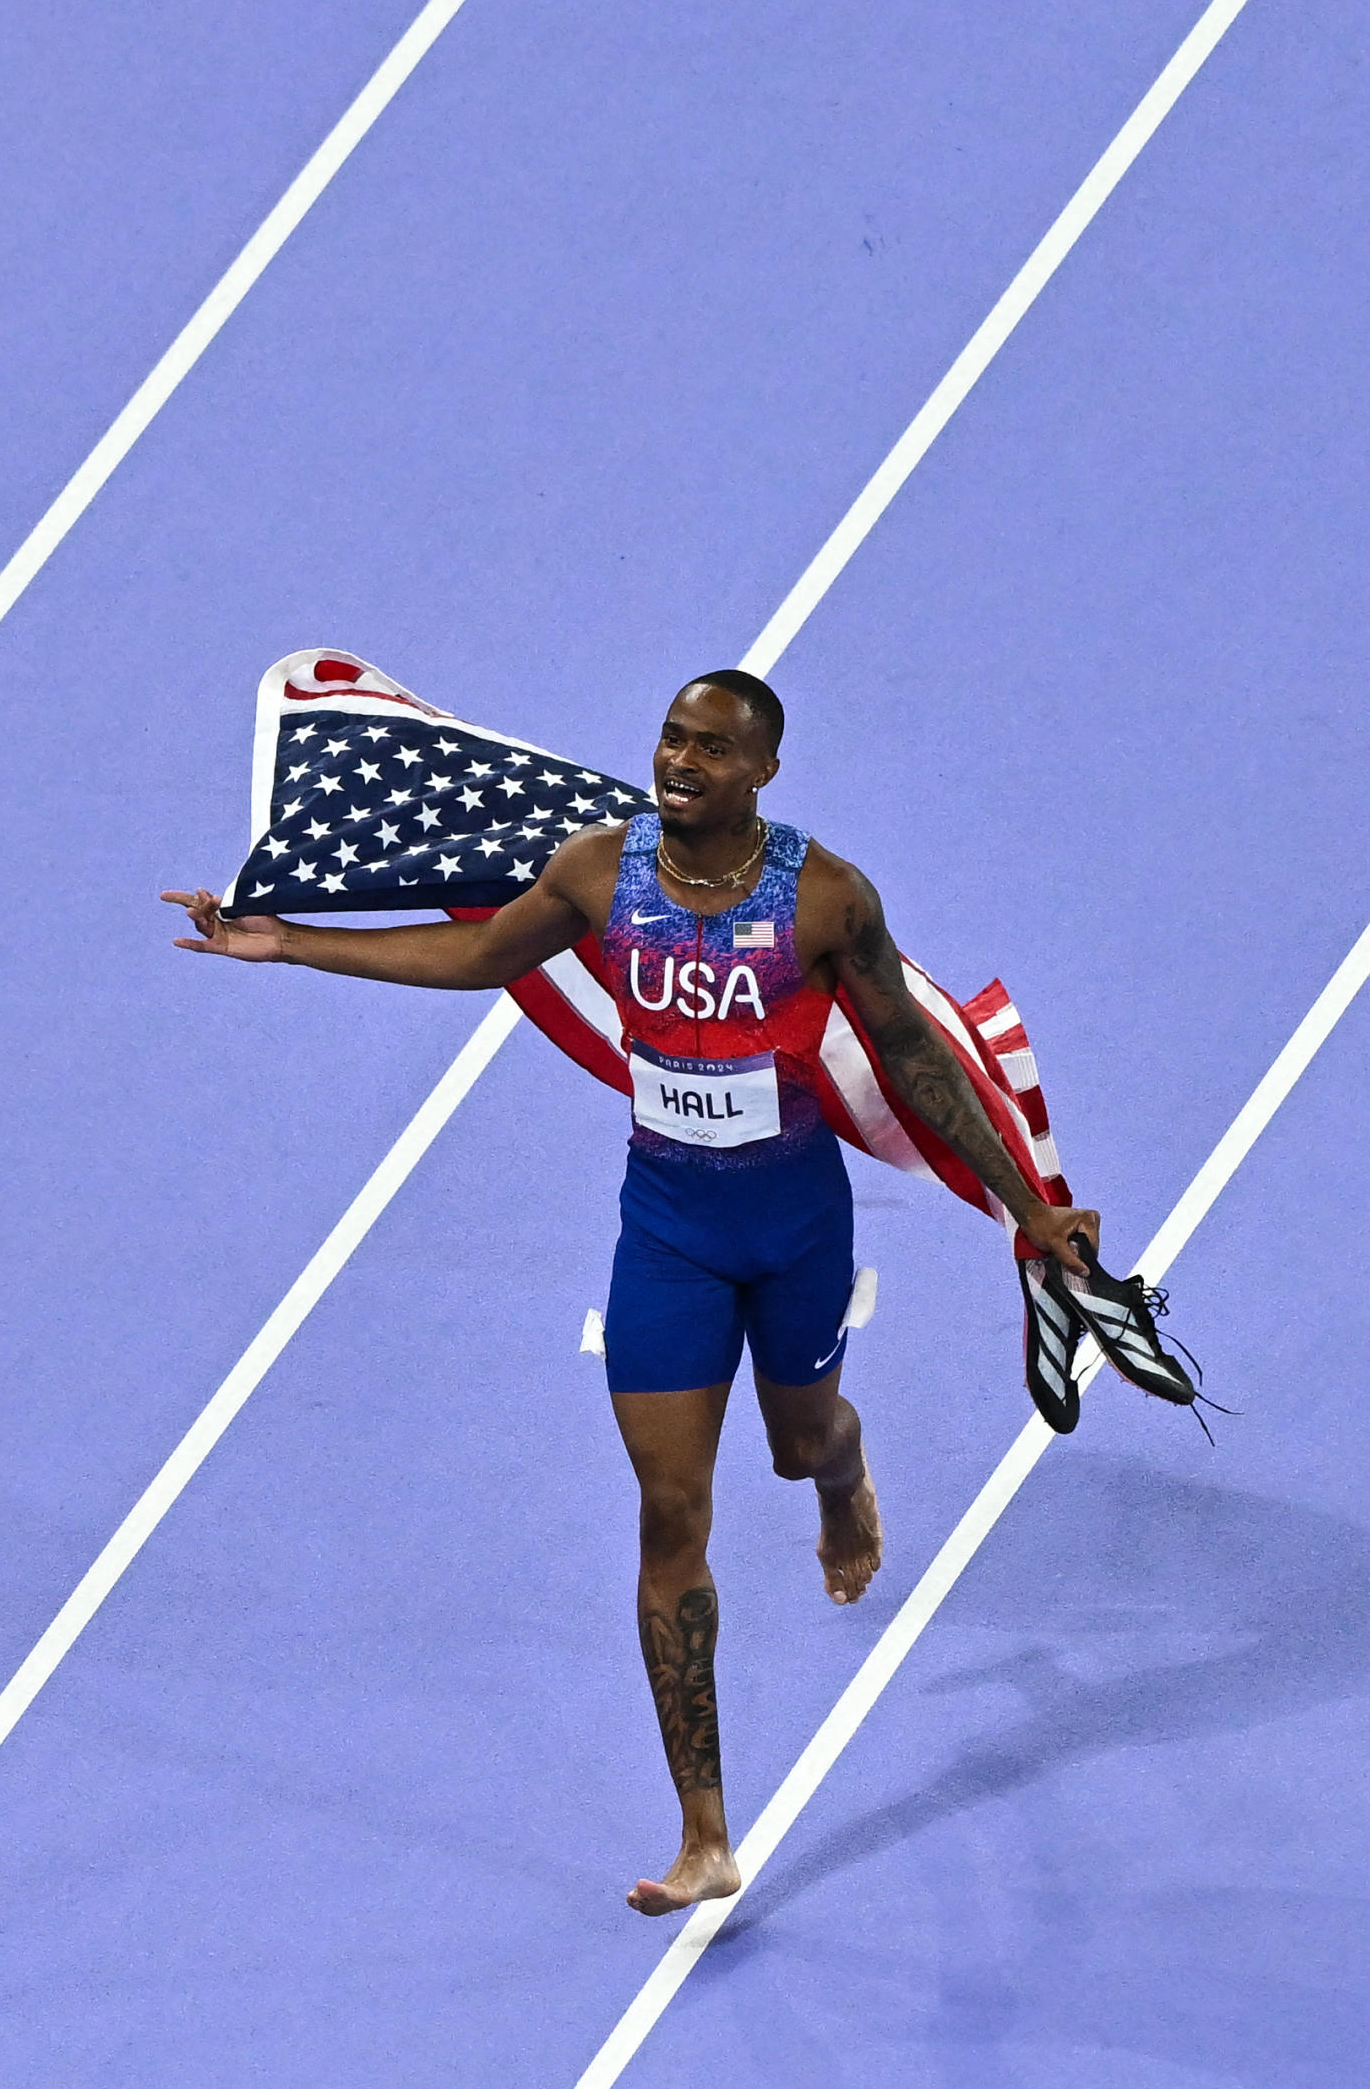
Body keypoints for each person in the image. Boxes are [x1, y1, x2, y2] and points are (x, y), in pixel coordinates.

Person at [165, 670, 1099, 1915]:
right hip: (666, 1231)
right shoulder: (600, 870)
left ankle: (841, 1478)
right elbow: (475, 955)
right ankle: (704, 1833)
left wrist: (1023, 1208)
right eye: (671, 737)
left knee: (800, 1436)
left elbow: (913, 1057)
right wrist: (288, 943)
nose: (681, 760)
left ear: (761, 770)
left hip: (794, 1224)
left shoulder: (825, 898)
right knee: (670, 1511)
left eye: (711, 748)